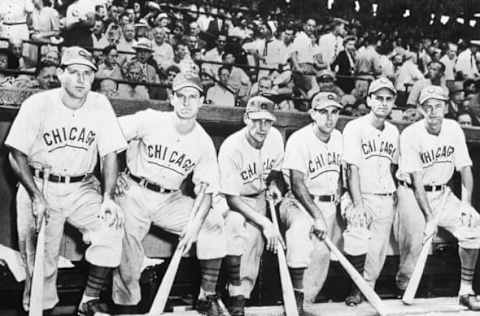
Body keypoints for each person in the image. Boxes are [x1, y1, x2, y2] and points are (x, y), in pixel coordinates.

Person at [5, 46, 126, 316]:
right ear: (61, 74)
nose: (82, 80)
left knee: (110, 227)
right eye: (74, 72)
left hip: (81, 188)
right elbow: (16, 152)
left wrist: (108, 198)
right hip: (40, 184)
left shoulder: (100, 104)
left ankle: (89, 301)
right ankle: (38, 310)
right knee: (40, 267)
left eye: (87, 73)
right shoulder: (38, 104)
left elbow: (109, 154)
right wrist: (36, 196)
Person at [111, 73, 228, 315]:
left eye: (193, 97)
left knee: (213, 223)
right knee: (127, 255)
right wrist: (112, 177)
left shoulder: (203, 141)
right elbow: (108, 136)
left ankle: (207, 295)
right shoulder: (151, 119)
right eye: (181, 96)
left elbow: (206, 190)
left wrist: (195, 226)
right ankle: (126, 307)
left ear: (201, 101)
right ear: (172, 99)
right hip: (134, 190)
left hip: (169, 199)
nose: (186, 102)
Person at [395, 85, 480, 311]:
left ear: (445, 108)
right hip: (411, 192)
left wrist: (466, 204)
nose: (433, 111)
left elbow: (465, 169)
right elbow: (416, 180)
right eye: (428, 107)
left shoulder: (453, 129)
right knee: (416, 241)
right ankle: (403, 287)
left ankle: (466, 290)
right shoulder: (411, 133)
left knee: (473, 225)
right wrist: (430, 218)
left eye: (438, 106)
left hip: (442, 194)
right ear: (422, 109)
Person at [218, 95, 285, 316]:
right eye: (257, 120)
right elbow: (232, 198)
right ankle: (221, 291)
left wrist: (274, 184)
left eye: (267, 121)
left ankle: (240, 297)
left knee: (255, 240)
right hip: (229, 197)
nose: (262, 127)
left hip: (257, 195)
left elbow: (275, 170)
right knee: (236, 228)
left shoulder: (275, 137)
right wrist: (266, 221)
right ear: (247, 118)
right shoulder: (231, 146)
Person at [278, 91, 343, 315]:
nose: (329, 117)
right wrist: (317, 216)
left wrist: (341, 202)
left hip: (328, 205)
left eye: (334, 112)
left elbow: (340, 177)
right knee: (299, 234)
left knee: (321, 257)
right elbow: (297, 184)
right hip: (299, 203)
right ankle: (294, 302)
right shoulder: (299, 139)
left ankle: (305, 304)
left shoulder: (339, 138)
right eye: (323, 112)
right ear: (312, 113)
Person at [341, 78, 399, 306]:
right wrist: (358, 204)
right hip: (360, 194)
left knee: (377, 252)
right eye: (379, 98)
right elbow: (351, 169)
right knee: (357, 234)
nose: (383, 103)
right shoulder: (355, 127)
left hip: (384, 196)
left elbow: (392, 167)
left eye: (388, 99)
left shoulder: (394, 132)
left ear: (393, 102)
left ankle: (367, 290)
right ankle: (355, 289)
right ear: (369, 100)